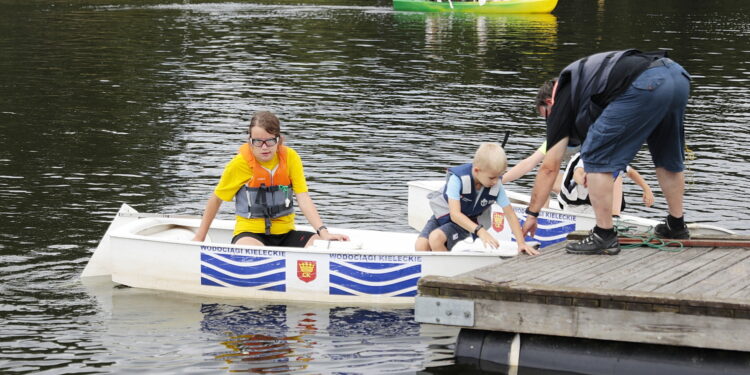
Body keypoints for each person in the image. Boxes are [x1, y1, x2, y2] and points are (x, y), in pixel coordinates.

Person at [522, 49, 691, 255]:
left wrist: (532, 214)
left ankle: (604, 234)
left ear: (549, 103)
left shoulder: (563, 96)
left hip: (647, 83)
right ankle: (676, 225)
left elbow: (549, 168)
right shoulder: (586, 87)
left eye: (546, 117)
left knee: (594, 156)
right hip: (677, 76)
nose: (551, 122)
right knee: (667, 155)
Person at [192, 111, 349, 247]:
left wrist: (323, 232)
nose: (264, 147)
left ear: (279, 140)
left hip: (286, 234)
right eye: (258, 142)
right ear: (250, 141)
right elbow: (216, 199)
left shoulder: (291, 158)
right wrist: (200, 237)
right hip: (250, 235)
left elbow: (303, 197)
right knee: (252, 250)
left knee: (320, 245)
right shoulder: (239, 164)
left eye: (270, 141)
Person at [415, 142, 539, 255]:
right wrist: (480, 232)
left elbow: (510, 214)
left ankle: (442, 275)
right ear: (476, 170)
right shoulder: (458, 179)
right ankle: (438, 268)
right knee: (420, 246)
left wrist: (521, 243)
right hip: (446, 215)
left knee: (436, 238)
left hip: (466, 222)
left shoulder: (496, 186)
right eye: (492, 178)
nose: (496, 181)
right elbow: (454, 214)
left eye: (499, 177)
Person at [557, 152, 655, 215]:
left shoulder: (615, 158)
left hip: (592, 204)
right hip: (572, 204)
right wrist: (583, 180)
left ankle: (614, 216)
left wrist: (647, 189)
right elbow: (577, 173)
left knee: (617, 175)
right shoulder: (587, 155)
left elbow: (631, 172)